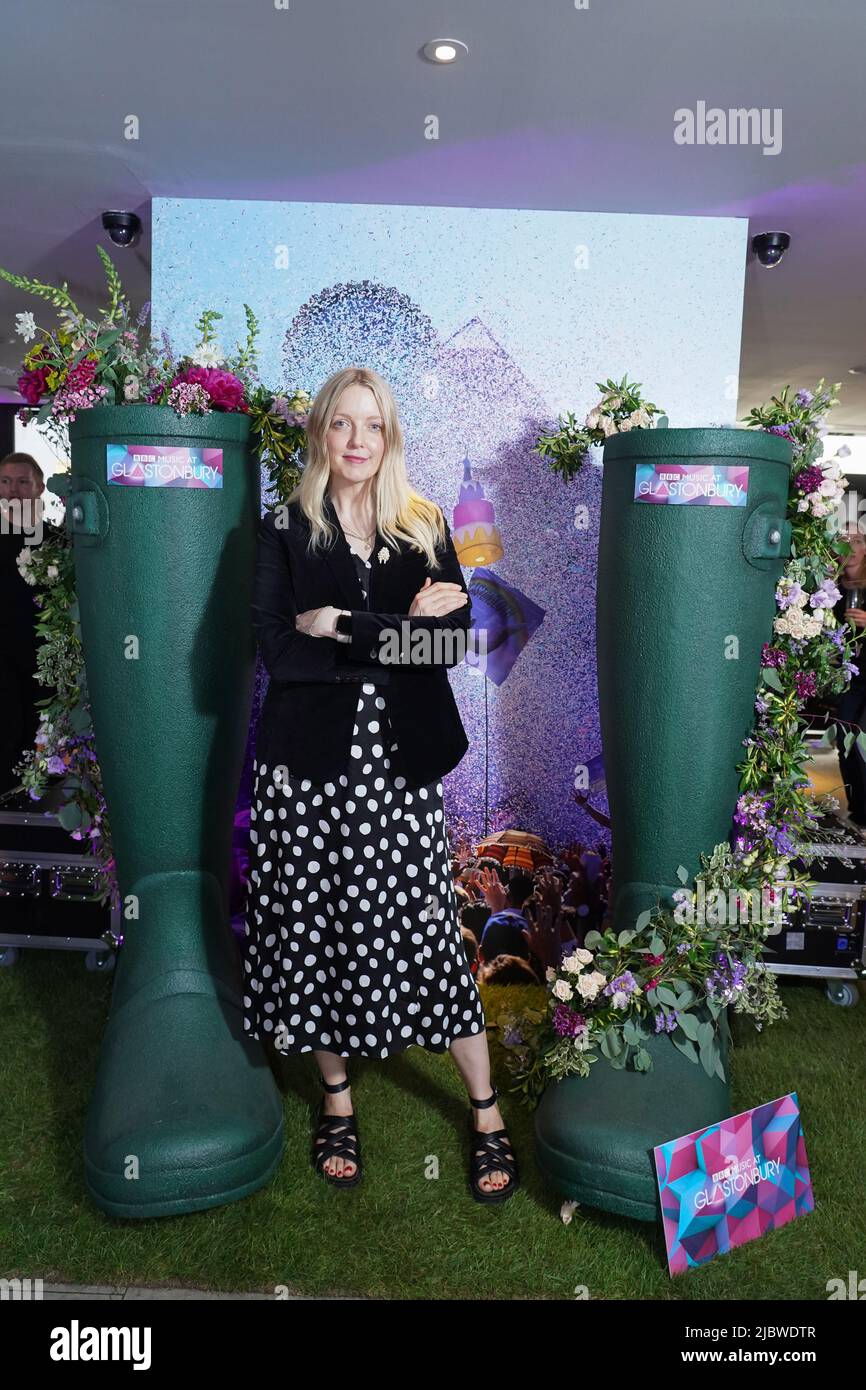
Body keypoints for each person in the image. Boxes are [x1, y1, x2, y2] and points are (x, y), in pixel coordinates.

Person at [242, 366, 519, 1203]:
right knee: (316, 927)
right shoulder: (282, 531)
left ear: (390, 435)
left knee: (428, 931)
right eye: (342, 425)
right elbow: (280, 657)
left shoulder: (424, 525)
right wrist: (401, 630)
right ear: (320, 432)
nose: (357, 441)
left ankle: (485, 1110)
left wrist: (347, 627)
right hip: (308, 778)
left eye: (373, 425)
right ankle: (337, 1097)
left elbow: (450, 650)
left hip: (401, 773)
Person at [0, 452, 47, 796]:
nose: (12, 490)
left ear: (39, 487)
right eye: (4, 481)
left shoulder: (58, 540)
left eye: (21, 481)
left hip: (42, 663)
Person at [832, 526, 866, 826]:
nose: (852, 547)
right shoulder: (830, 588)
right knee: (843, 739)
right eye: (844, 541)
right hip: (851, 677)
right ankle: (858, 810)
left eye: (857, 541)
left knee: (862, 743)